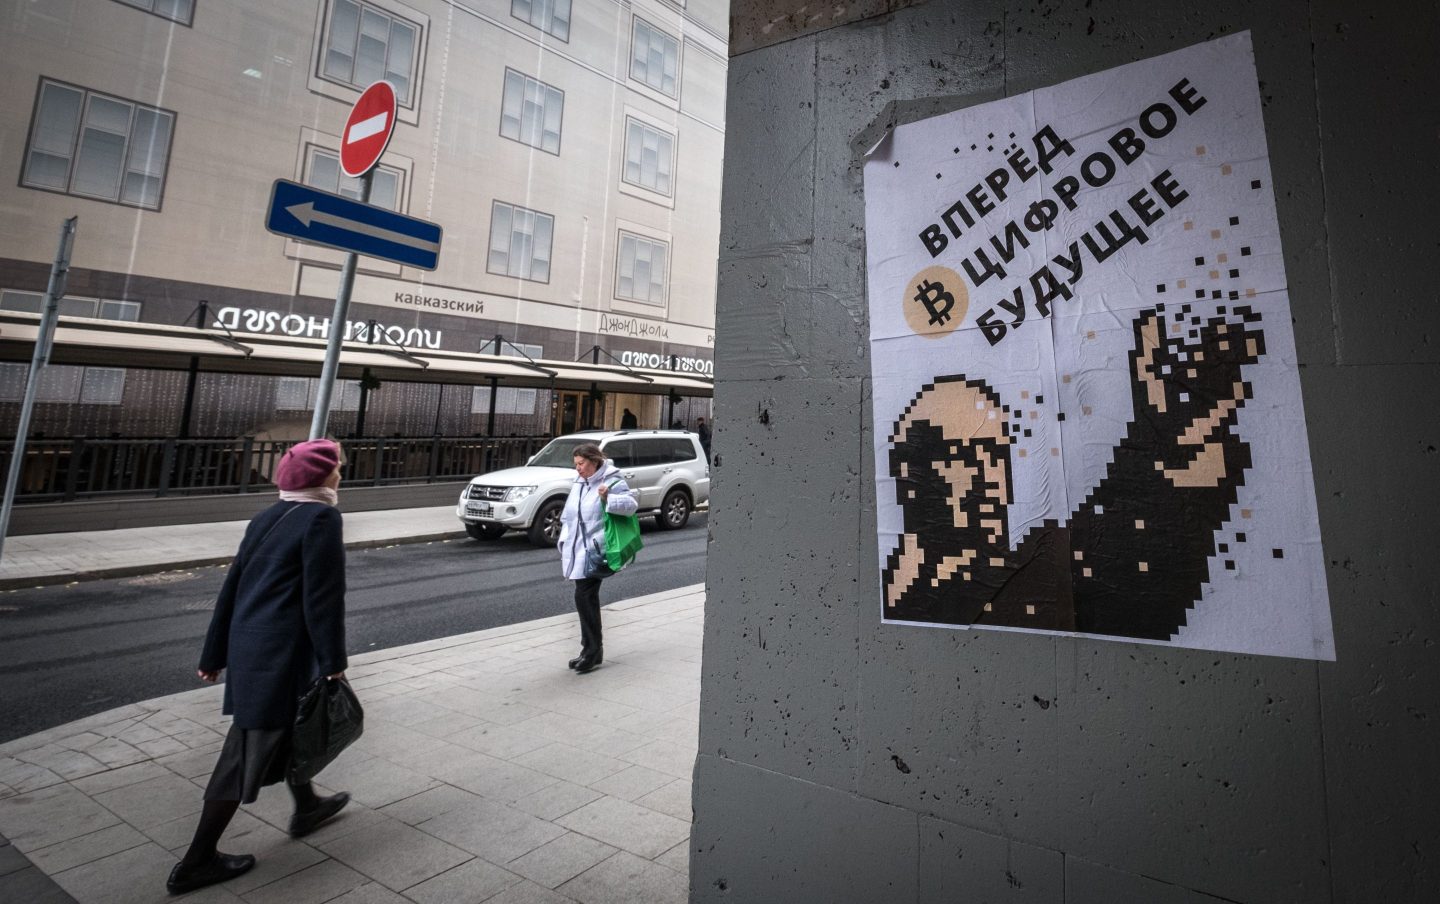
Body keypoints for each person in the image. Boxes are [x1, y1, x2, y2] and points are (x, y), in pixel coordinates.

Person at [166, 439, 351, 895]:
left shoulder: (268, 516)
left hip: (251, 649)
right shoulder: (322, 518)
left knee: (290, 731)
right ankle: (197, 860)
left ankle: (306, 807)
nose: (341, 475)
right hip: (281, 657)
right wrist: (333, 663)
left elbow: (233, 586)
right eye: (338, 469)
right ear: (322, 477)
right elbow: (322, 599)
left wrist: (213, 655)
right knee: (246, 752)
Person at [558, 442, 637, 673]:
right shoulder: (579, 483)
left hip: (595, 550)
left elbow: (631, 506)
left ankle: (592, 651)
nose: (578, 469)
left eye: (581, 464)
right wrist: (564, 541)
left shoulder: (612, 481)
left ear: (594, 461)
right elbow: (570, 515)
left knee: (584, 597)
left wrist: (608, 498)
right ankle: (591, 650)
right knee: (585, 598)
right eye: (576, 465)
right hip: (577, 549)